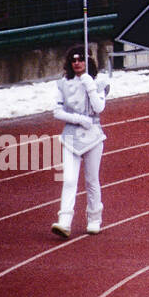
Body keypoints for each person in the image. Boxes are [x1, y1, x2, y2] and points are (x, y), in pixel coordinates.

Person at [51, 46, 109, 238]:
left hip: (93, 135)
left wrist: (90, 86)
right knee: (68, 179)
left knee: (92, 179)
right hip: (71, 135)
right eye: (73, 59)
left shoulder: (99, 82)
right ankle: (64, 221)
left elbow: (99, 107)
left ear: (88, 61)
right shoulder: (62, 84)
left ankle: (94, 218)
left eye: (81, 59)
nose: (77, 63)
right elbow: (57, 111)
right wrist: (78, 119)